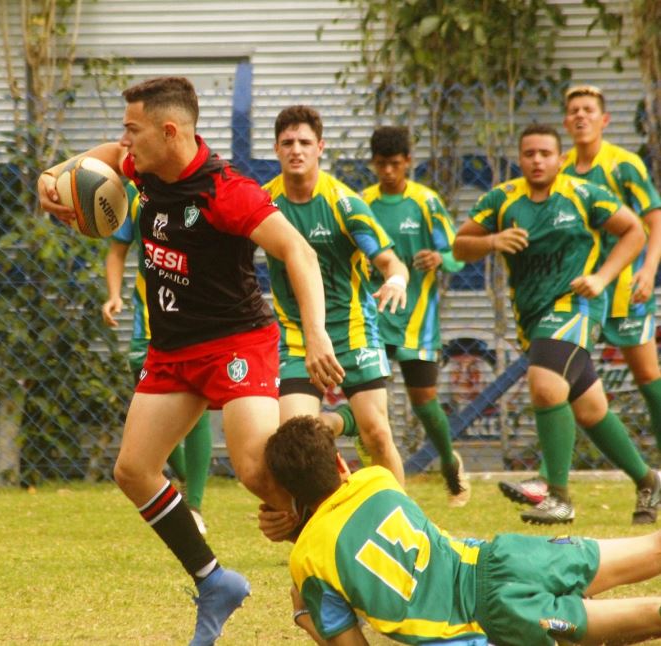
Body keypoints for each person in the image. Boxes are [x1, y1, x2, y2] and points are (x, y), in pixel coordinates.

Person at [37, 77, 344, 645]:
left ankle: (341, 554)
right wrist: (52, 180)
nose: (122, 143)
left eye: (133, 130)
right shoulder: (143, 165)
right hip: (173, 350)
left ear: (169, 131)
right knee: (133, 471)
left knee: (256, 470)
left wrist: (318, 333)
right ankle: (215, 582)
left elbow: (297, 250)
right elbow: (99, 159)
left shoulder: (226, 191)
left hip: (236, 344)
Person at [265, 415, 661, 646]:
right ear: (339, 463)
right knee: (653, 548)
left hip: (487, 623)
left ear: (287, 491)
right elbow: (362, 418)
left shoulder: (308, 559)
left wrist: (304, 614)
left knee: (653, 615)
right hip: (502, 560)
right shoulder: (378, 479)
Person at [453, 123, 653, 524]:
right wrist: (492, 242)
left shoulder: (583, 195)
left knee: (545, 387)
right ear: (520, 158)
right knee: (590, 409)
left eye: (546, 153)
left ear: (560, 160)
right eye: (529, 154)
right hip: (533, 316)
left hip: (576, 306)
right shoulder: (502, 199)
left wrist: (602, 277)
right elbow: (460, 245)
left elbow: (635, 229)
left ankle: (557, 495)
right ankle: (649, 480)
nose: (538, 160)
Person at [499, 85, 661, 524]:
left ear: (604, 119)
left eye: (589, 110)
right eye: (573, 111)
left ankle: (553, 487)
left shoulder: (622, 165)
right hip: (566, 294)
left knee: (645, 376)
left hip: (618, 288)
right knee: (589, 406)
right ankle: (647, 478)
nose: (581, 117)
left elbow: (648, 221)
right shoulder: (555, 168)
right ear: (566, 122)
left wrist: (646, 271)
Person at [264, 105, 408, 487]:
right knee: (297, 438)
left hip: (352, 331)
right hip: (297, 336)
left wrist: (396, 281)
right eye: (288, 142)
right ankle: (319, 526)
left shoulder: (344, 204)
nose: (296, 149)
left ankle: (406, 526)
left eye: (305, 142)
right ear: (276, 149)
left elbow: (391, 262)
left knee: (377, 433)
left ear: (320, 147)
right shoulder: (263, 205)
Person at [362, 125, 470, 506]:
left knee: (424, 400)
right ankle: (378, 482)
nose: (388, 171)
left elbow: (457, 252)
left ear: (408, 162)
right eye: (380, 165)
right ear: (372, 164)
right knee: (369, 402)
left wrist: (440, 258)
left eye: (394, 164)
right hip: (374, 318)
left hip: (417, 320)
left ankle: (447, 461)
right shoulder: (363, 203)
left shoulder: (426, 202)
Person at [102, 180, 211, 534]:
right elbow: (118, 249)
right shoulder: (135, 193)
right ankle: (181, 481)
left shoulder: (202, 191)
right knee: (150, 415)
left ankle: (193, 503)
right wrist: (114, 295)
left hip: (193, 323)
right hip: (147, 325)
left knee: (196, 407)